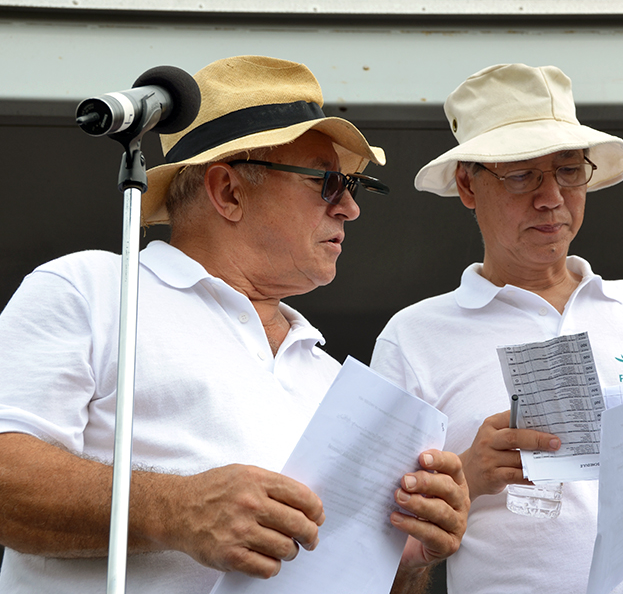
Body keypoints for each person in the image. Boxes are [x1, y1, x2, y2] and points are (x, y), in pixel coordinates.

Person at [0, 55, 468, 594]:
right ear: (228, 191)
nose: (349, 209)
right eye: (328, 181)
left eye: (353, 188)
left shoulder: (330, 379)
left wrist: (411, 556)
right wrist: (174, 508)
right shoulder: (93, 289)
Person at [370, 63, 623, 593]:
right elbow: (375, 547)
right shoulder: (415, 335)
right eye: (521, 175)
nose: (551, 197)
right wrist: (466, 474)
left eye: (567, 171)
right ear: (468, 185)